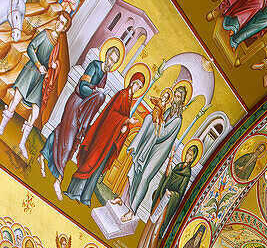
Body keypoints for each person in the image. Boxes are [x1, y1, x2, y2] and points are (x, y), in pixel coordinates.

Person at [40, 44, 123, 200]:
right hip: (76, 104)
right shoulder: (94, 66)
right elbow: (82, 86)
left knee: (62, 132)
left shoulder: (105, 76)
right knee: (68, 141)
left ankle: (43, 154)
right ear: (106, 56)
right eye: (111, 59)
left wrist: (99, 95)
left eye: (115, 62)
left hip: (84, 112)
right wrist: (95, 92)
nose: (111, 63)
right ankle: (58, 179)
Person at [0, 16, 70, 159]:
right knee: (15, 102)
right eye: (59, 20)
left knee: (35, 112)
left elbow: (54, 62)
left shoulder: (57, 44)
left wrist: (53, 65)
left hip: (40, 80)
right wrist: (39, 64)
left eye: (62, 23)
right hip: (31, 71)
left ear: (64, 28)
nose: (58, 23)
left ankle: (22, 143)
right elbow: (31, 48)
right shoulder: (45, 34)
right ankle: (0, 129)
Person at [66, 70, 147, 205]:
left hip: (110, 140)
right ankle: (74, 191)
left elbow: (120, 119)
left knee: (97, 169)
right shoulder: (122, 95)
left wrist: (124, 127)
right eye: (137, 84)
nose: (138, 87)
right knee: (90, 162)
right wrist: (126, 121)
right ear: (132, 82)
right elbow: (112, 114)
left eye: (140, 86)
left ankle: (85, 196)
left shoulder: (128, 99)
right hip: (103, 137)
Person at [120, 84, 189, 222]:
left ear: (182, 101)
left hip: (159, 153)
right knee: (137, 171)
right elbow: (158, 121)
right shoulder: (169, 111)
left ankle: (132, 210)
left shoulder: (177, 120)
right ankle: (124, 200)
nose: (174, 99)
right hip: (152, 146)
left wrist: (157, 121)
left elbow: (162, 133)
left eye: (178, 97)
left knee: (145, 177)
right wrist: (154, 119)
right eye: (174, 95)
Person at [135, 141, 199, 248]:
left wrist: (171, 194)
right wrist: (170, 159)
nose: (188, 156)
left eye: (191, 155)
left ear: (193, 158)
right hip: (162, 197)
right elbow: (167, 175)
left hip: (168, 202)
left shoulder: (187, 174)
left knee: (157, 228)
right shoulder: (179, 166)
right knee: (150, 221)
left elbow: (180, 193)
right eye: (188, 153)